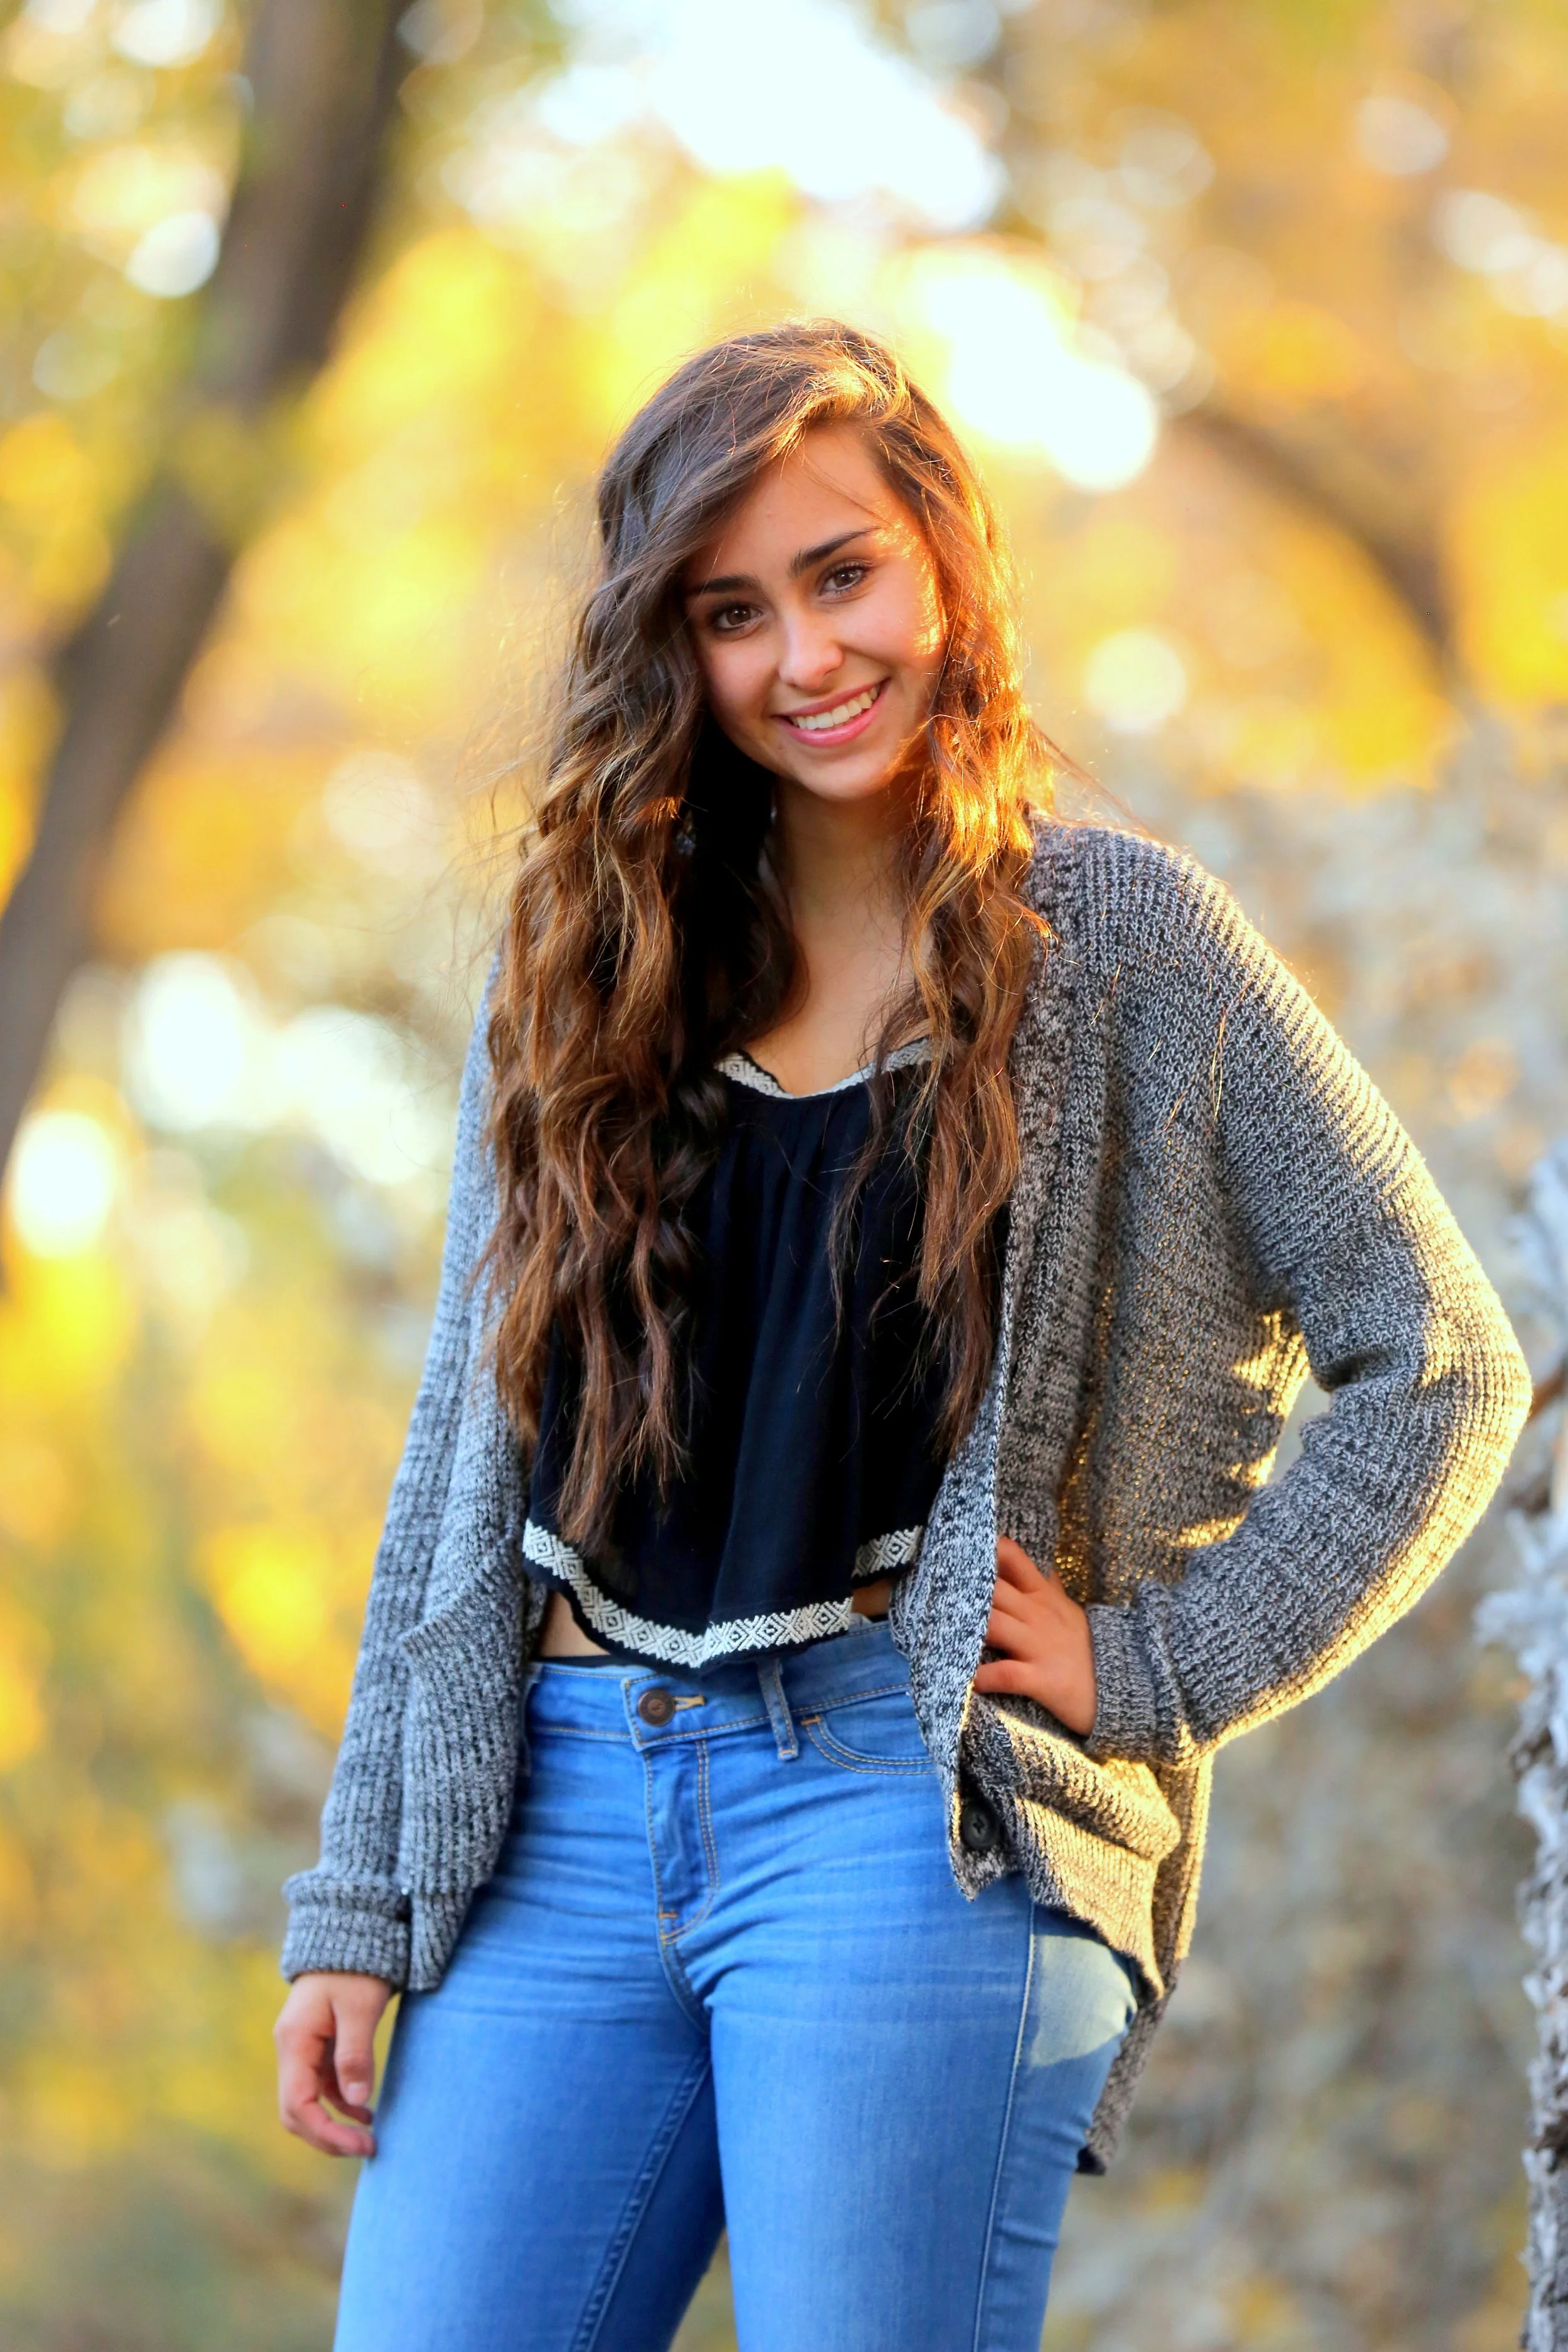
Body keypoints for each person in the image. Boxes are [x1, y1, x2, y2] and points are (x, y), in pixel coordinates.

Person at [273, 322, 1531, 2352]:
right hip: (558, 1811)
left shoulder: (1127, 943)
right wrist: (361, 1894)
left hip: (905, 1815)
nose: (803, 656)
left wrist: (1161, 1664)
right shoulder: (589, 964)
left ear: (943, 562)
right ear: (668, 646)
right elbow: (459, 1447)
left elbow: (1441, 1356)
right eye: (731, 611)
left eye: (841, 573)